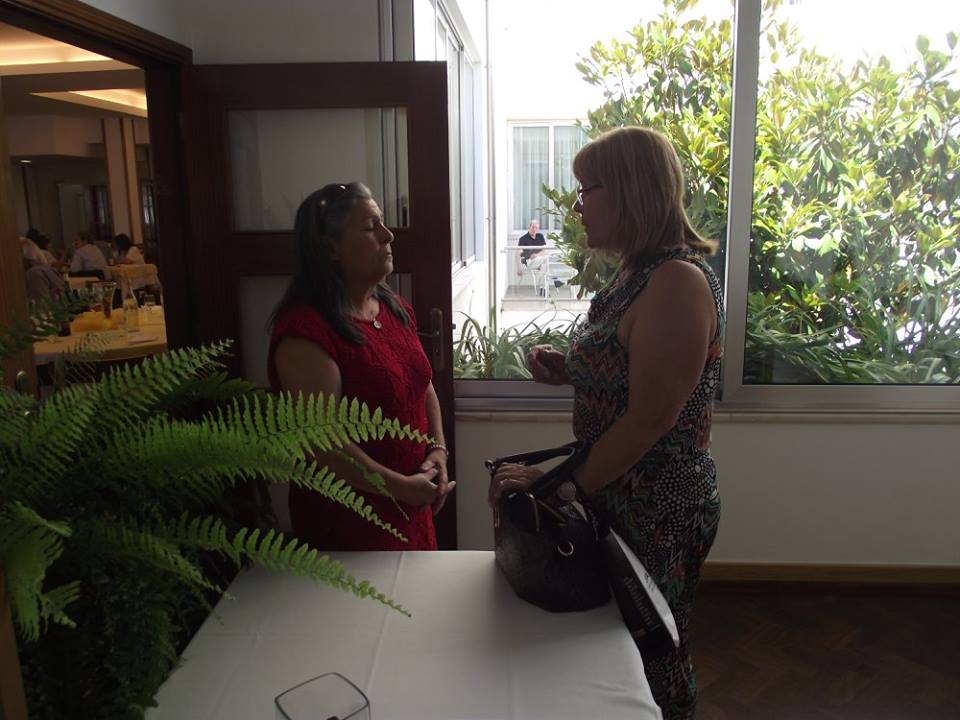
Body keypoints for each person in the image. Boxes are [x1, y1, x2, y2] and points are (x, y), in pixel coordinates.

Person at [490, 127, 724, 720]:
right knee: (613, 645)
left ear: (629, 191)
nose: (577, 206)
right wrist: (571, 372)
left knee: (652, 642)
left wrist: (562, 488)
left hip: (658, 503)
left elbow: (650, 419)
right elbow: (632, 377)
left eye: (586, 190)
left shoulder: (676, 282)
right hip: (617, 490)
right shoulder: (634, 274)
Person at [268, 182, 455, 551]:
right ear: (330, 247)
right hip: (349, 521)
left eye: (382, 223)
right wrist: (401, 488)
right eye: (371, 227)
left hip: (412, 507)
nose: (388, 235)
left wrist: (438, 450)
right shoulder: (306, 333)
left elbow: (423, 386)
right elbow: (322, 444)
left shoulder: (394, 308)